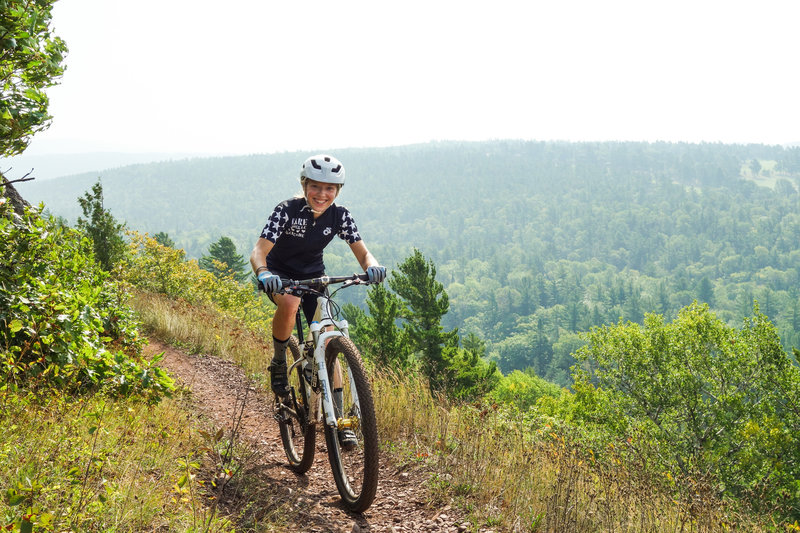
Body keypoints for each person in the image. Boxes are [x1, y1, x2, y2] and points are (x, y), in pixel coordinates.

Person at [250, 154, 386, 446]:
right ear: (304, 184)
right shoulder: (286, 210)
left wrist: (372, 266)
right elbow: (258, 252)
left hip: (314, 276)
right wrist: (263, 273)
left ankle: (339, 420)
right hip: (279, 275)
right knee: (289, 302)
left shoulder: (340, 215)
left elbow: (363, 252)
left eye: (330, 189)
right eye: (315, 187)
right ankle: (278, 360)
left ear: (337, 191)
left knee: (327, 336)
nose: (322, 194)